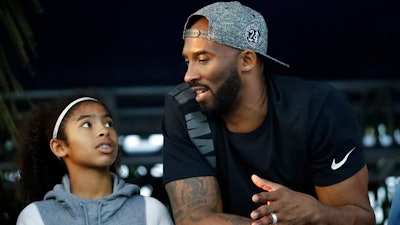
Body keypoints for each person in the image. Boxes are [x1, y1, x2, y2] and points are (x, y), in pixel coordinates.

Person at [161, 1, 375, 225]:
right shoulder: (185, 109)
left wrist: (316, 212)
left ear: (247, 60)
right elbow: (195, 219)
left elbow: (362, 218)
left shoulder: (318, 108)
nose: (188, 75)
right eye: (187, 60)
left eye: (203, 59)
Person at [16, 94, 174, 225]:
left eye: (108, 123)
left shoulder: (150, 211)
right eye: (87, 125)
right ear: (60, 147)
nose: (104, 130)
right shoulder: (35, 217)